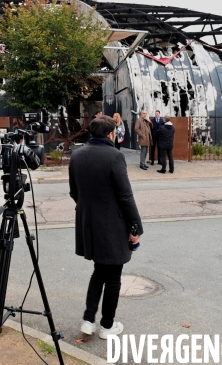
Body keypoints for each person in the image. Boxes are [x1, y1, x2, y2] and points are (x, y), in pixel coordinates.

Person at [69, 115, 143, 339]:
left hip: (88, 225)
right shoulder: (114, 156)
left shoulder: (77, 154)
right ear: (110, 134)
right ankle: (107, 326)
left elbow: (75, 192)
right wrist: (136, 228)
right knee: (113, 277)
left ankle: (89, 320)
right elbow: (125, 196)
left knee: (99, 271)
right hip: (112, 226)